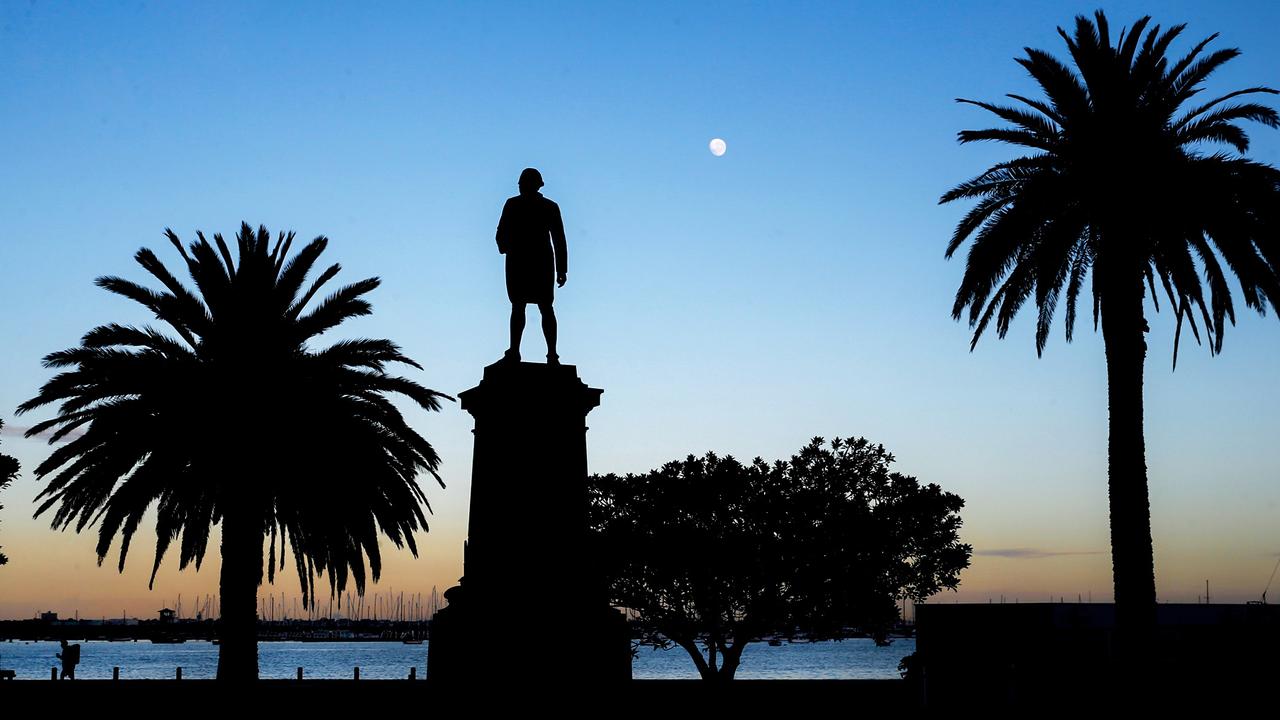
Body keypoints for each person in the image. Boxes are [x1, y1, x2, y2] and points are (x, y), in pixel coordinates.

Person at [495, 168, 568, 364]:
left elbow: (559, 239)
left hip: (539, 262)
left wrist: (562, 269)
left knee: (544, 308)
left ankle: (552, 354)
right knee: (519, 307)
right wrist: (506, 247)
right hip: (520, 261)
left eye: (523, 184)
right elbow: (501, 233)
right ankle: (515, 351)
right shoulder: (512, 205)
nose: (521, 187)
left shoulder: (549, 207)